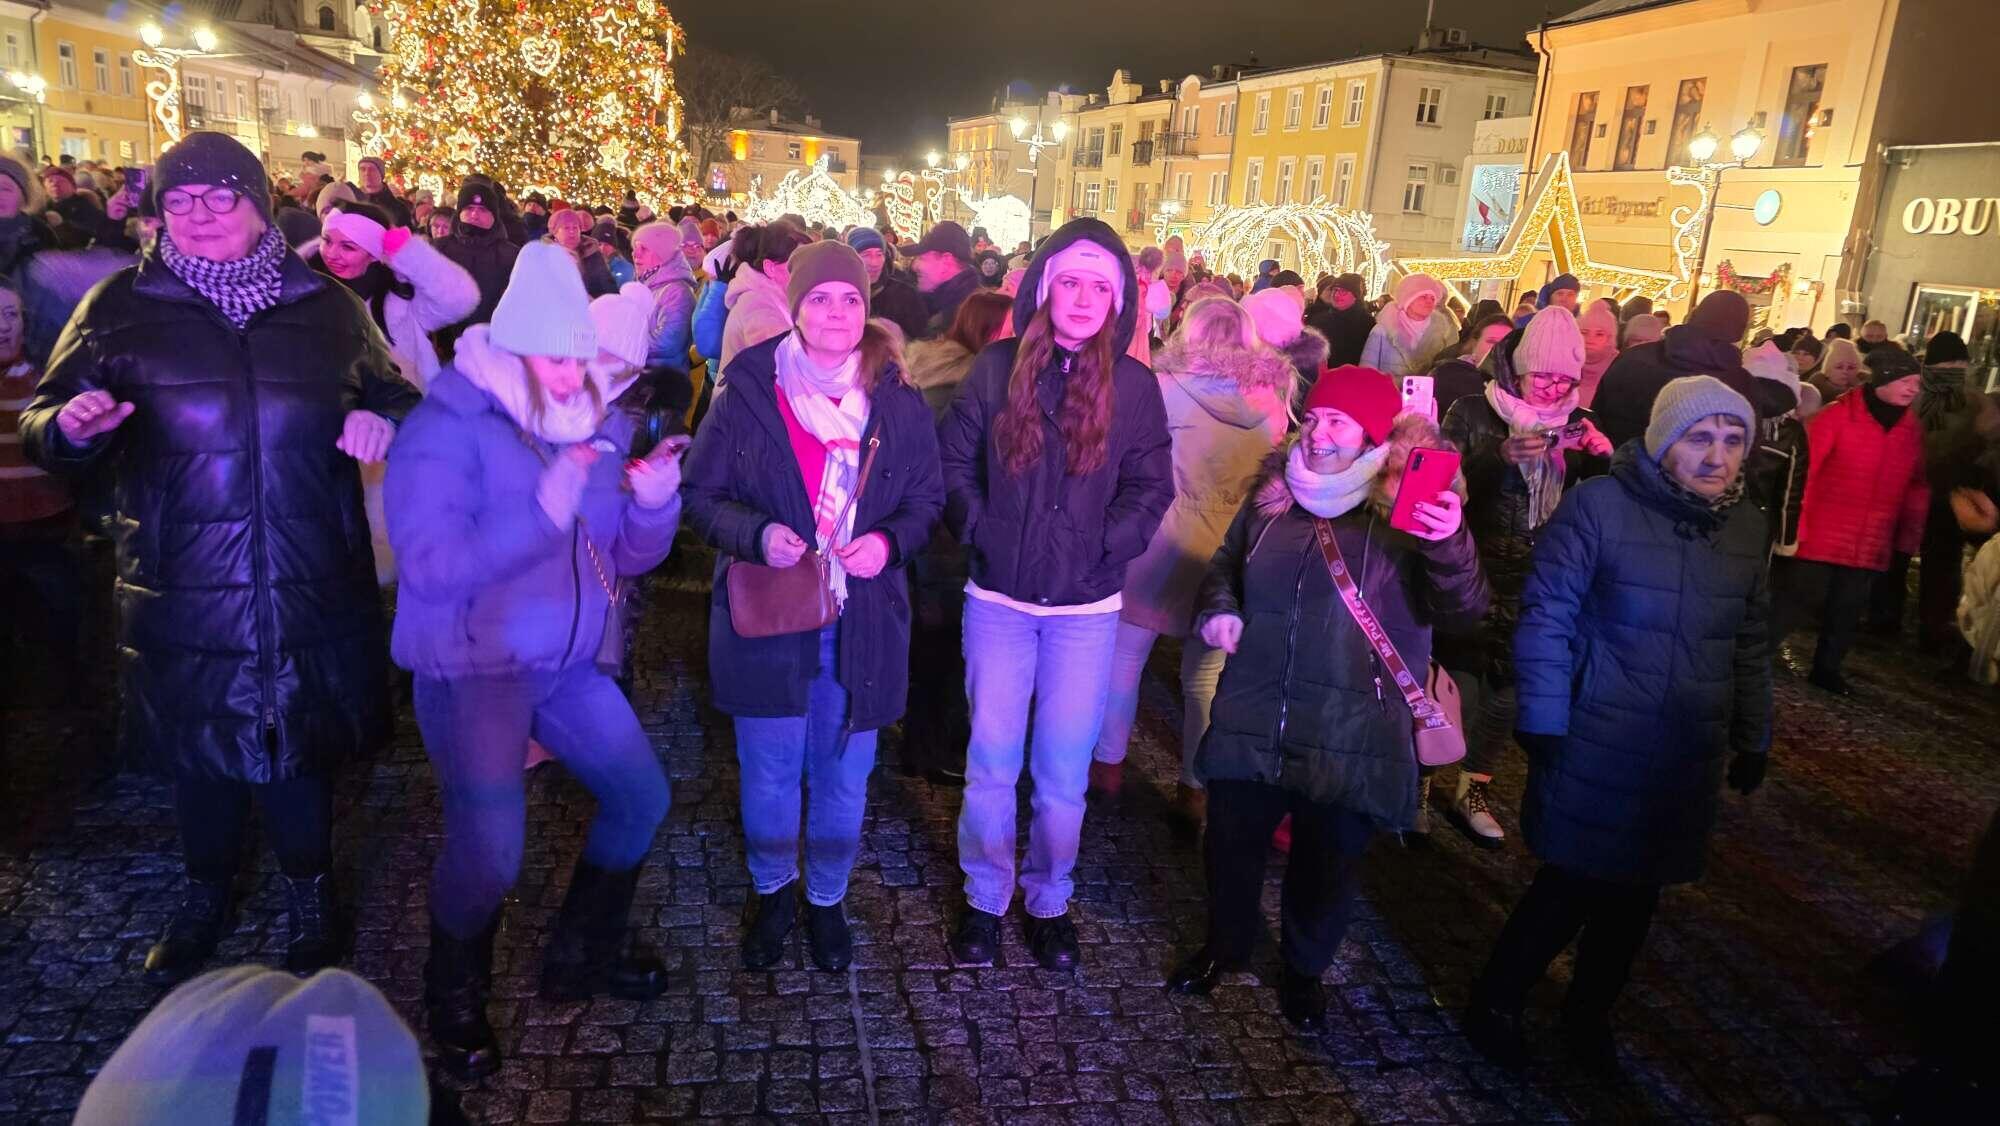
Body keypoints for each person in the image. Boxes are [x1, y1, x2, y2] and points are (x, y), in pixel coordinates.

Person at [17, 132, 417, 986]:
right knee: (199, 751)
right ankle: (203, 895)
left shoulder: (329, 307)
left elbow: (401, 397)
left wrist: (384, 420)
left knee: (299, 744)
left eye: (219, 195)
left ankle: (311, 893)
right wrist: (70, 427)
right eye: (178, 199)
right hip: (184, 575)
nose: (197, 214)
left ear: (259, 205)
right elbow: (43, 419)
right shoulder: (118, 307)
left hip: (307, 567)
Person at [386, 242, 681, 1079]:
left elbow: (620, 556)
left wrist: (655, 506)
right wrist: (543, 515)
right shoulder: (445, 426)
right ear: (512, 348)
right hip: (474, 667)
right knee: (491, 853)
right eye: (557, 359)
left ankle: (581, 955)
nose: (572, 377)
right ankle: (452, 997)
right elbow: (430, 566)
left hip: (566, 660)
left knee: (641, 797)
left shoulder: (586, 422)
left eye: (581, 361)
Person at [1465, 375, 1771, 1074]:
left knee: (1636, 898)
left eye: (1733, 441)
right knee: (1570, 883)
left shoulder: (1746, 528)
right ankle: (1497, 1001)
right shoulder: (1599, 507)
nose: (1717, 456)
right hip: (1599, 731)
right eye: (1699, 438)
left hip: (1685, 746)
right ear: (1664, 443)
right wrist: (1544, 717)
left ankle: (1588, 1014)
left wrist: (1754, 732)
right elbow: (1548, 615)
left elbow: (1750, 640)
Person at [1167, 365, 1486, 1028]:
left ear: (1373, 435)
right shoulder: (1274, 495)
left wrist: (1450, 544)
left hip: (1352, 724)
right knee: (1229, 844)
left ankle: (1304, 970)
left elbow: (1464, 612)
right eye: (1312, 418)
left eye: (1338, 422)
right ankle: (1225, 946)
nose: (1317, 433)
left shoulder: (1406, 509)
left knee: (1326, 862)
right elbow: (1225, 565)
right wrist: (1221, 607)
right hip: (1256, 707)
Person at [682, 240, 943, 973]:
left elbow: (927, 501)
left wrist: (888, 543)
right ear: (794, 308)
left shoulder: (897, 397)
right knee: (768, 772)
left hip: (862, 618)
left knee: (842, 776)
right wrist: (755, 534)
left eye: (851, 299)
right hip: (771, 613)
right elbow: (700, 496)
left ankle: (826, 898)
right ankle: (773, 891)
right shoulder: (749, 389)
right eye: (820, 299)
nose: (836, 312)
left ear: (867, 309)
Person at [938, 219, 1173, 970]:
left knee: (1064, 775)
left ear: (1118, 301)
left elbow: (1151, 484)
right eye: (1069, 280)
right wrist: (984, 529)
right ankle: (985, 895)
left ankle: (1048, 897)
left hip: (1085, 610)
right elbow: (954, 461)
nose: (1082, 298)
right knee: (991, 761)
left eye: (1100, 286)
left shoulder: (1134, 386)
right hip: (1000, 601)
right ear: (1044, 287)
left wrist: (1106, 544)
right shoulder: (996, 368)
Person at [1089, 297, 1293, 829]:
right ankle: (1195, 787)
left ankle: (1107, 767)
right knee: (1205, 678)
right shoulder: (1272, 401)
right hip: (1226, 552)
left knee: (1123, 662)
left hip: (1156, 541)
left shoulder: (1162, 388)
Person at [1436, 309, 1612, 848]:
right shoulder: (1474, 411)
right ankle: (1418, 781)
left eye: (1564, 380)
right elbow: (1440, 483)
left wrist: (1600, 463)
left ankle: (1473, 788)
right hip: (1471, 567)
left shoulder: (1578, 422)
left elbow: (1589, 511)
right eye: (1543, 377)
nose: (1553, 389)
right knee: (1452, 691)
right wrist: (1499, 456)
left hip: (1539, 579)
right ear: (1518, 370)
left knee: (1510, 692)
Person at [901, 291, 1013, 787]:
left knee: (934, 645)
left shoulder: (933, 372)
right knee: (946, 647)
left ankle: (924, 742)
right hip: (948, 536)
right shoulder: (966, 388)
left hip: (928, 533)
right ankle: (934, 747)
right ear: (989, 334)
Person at [1772, 345, 1928, 694]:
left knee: (1847, 610)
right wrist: (1796, 526)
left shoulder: (1911, 430)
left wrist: (1909, 534)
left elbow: (1917, 485)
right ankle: (1753, 656)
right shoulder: (1836, 417)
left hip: (1870, 539)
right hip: (1821, 534)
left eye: (1917, 383)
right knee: (1794, 601)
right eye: (1906, 381)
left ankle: (1827, 669)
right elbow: (1804, 474)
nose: (1914, 389)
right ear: (1883, 380)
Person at [312, 202, 478, 392]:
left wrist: (408, 252)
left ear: (373, 254)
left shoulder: (401, 294)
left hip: (404, 404)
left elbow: (461, 299)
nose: (331, 254)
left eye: (348, 247)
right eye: (327, 241)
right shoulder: (303, 289)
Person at [1913, 331, 2000, 655]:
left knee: (1934, 558)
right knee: (1934, 560)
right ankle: (1926, 623)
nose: (1957, 369)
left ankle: (1922, 623)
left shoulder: (1967, 398)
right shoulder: (1966, 398)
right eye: (1952, 363)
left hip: (1938, 489)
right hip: (1938, 487)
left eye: (1960, 364)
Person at [1592, 291, 1762, 450]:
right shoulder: (1739, 384)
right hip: (1690, 471)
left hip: (1616, 461)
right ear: (1740, 331)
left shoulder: (1633, 357)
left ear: (1694, 315)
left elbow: (1596, 420)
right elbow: (1746, 450)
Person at [433, 178, 521, 358]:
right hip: (444, 345)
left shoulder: (511, 255)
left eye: (482, 210)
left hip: (491, 347)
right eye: (469, 208)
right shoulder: (439, 249)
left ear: (494, 216)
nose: (474, 215)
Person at [1741, 341, 1811, 560]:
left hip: (1713, 516)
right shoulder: (1790, 431)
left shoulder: (1726, 417)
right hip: (1759, 524)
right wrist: (1786, 540)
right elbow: (1790, 492)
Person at [627, 220, 699, 432]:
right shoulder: (647, 284)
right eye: (635, 248)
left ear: (662, 254)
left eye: (644, 249)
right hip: (645, 381)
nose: (635, 254)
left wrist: (625, 343)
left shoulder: (677, 291)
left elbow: (668, 341)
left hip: (663, 386)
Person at [719, 221, 811, 373]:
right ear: (770, 268)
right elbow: (783, 362)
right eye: (798, 264)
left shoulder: (776, 297)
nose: (808, 272)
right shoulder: (758, 306)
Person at [905, 288, 1010, 420]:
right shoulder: (963, 388)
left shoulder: (935, 365)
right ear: (986, 333)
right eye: (1010, 331)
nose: (1018, 337)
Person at [1362, 273, 1455, 377]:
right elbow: (1366, 372)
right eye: (1423, 297)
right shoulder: (1383, 330)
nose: (1429, 301)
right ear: (1408, 298)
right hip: (1385, 387)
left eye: (1433, 298)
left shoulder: (1442, 334)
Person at [848, 226, 928, 341]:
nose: (874, 263)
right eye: (866, 255)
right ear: (852, 258)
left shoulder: (905, 295)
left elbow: (921, 340)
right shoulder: (840, 293)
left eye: (879, 254)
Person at [904, 220, 980, 338]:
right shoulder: (939, 305)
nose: (914, 266)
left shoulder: (971, 317)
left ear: (946, 260)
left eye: (922, 258)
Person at [1430, 313, 1512, 416]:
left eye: (1505, 343)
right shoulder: (1446, 373)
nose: (1497, 348)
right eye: (1491, 341)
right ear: (1475, 344)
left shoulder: (1517, 384)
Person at [1305, 272, 1376, 368]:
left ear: (1355, 296)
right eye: (1335, 290)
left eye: (1343, 291)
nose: (1337, 295)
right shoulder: (1320, 321)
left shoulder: (1367, 324)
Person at [546, 206, 617, 297]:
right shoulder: (544, 255)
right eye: (566, 228)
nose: (572, 231)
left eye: (575, 228)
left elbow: (607, 284)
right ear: (555, 232)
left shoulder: (591, 251)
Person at [1577, 300, 1620, 408]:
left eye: (1599, 334)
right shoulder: (1565, 361)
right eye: (1584, 332)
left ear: (1609, 338)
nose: (1590, 339)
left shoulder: (1619, 366)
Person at [354, 156, 412, 228]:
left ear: (381, 174)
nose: (367, 173)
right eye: (362, 169)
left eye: (372, 169)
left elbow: (407, 232)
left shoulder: (398, 208)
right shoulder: (352, 202)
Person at [1809, 336, 1864, 406]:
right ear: (1828, 369)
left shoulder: (1869, 390)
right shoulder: (1812, 390)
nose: (1845, 371)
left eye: (1851, 367)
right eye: (1839, 367)